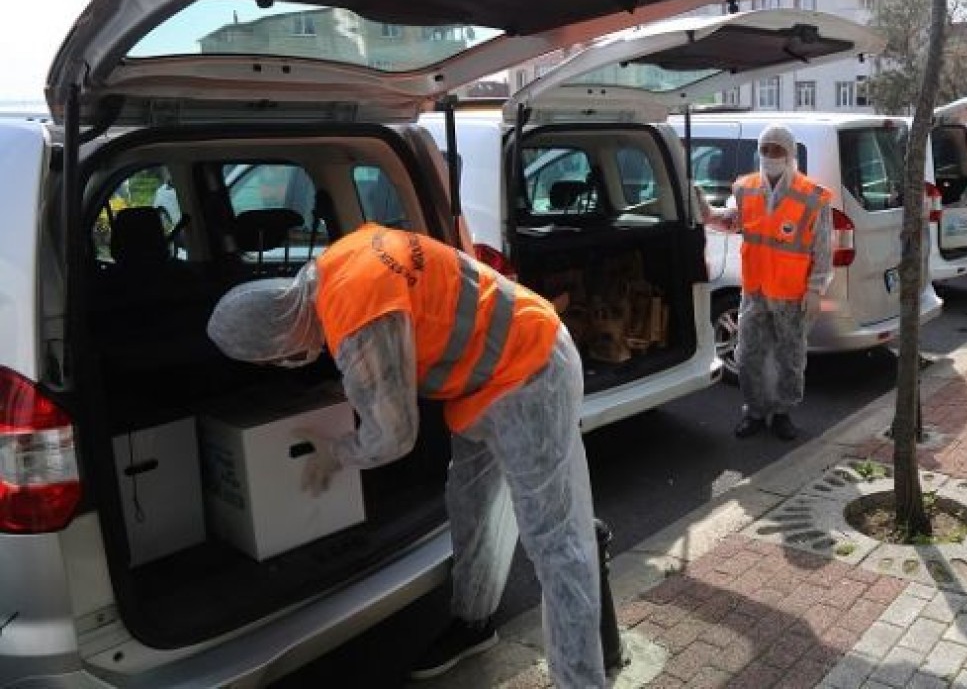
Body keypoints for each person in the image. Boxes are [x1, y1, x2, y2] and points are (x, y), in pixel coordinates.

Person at [206, 224, 605, 687]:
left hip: (531, 370)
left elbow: (394, 437)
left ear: (276, 343)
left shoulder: (356, 318)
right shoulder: (334, 266)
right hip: (483, 379)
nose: (282, 363)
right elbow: (401, 334)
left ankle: (581, 680)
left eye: (272, 359)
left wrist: (337, 453)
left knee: (556, 544)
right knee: (470, 506)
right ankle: (473, 623)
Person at [699, 124, 832, 441]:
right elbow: (732, 221)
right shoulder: (745, 189)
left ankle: (783, 413)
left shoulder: (813, 197)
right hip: (755, 290)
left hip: (792, 292)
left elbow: (823, 248)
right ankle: (755, 411)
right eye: (766, 149)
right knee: (749, 354)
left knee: (791, 356)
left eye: (778, 150)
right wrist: (707, 212)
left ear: (790, 155)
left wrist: (815, 289)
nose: (771, 155)